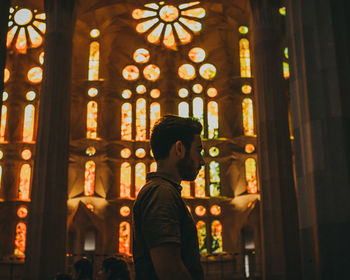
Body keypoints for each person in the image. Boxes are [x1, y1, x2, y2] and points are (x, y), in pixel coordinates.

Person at [133, 115, 205, 280]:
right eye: (198, 150)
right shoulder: (160, 193)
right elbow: (170, 271)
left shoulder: (164, 191)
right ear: (179, 148)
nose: (202, 161)